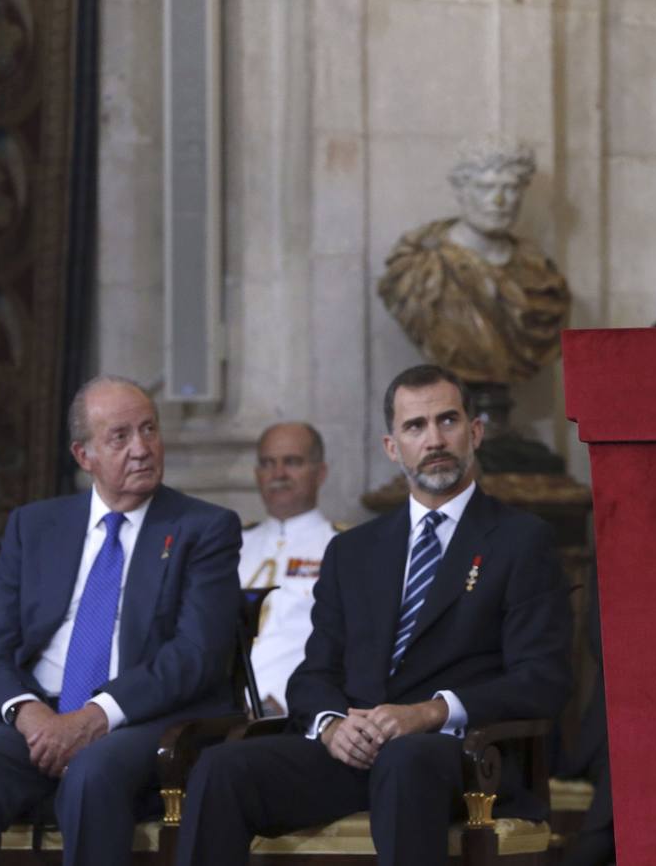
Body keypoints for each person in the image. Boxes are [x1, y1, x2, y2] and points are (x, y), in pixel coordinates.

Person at [174, 364, 572, 866]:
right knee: (222, 767)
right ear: (392, 447)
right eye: (415, 427)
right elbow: (315, 673)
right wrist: (332, 726)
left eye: (447, 421)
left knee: (406, 760)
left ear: (475, 433)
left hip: (461, 756)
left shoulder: (520, 540)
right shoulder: (354, 550)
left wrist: (430, 712)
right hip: (355, 752)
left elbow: (543, 680)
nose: (434, 439)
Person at [0, 375, 243, 866]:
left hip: (144, 719)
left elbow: (196, 656)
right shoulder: (33, 527)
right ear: (84, 455)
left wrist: (95, 716)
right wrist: (34, 720)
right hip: (43, 717)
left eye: (149, 430)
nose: (141, 448)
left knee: (91, 772)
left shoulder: (203, 527)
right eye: (120, 437)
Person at [378, 136, 571, 385]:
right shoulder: (418, 269)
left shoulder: (544, 277)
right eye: (485, 188)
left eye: (510, 188)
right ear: (460, 191)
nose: (499, 201)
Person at [239, 421, 338, 714]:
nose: (278, 474)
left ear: (320, 473)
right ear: (257, 475)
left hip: (294, 712)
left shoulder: (342, 546)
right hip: (221, 709)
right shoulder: (232, 544)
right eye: (268, 464)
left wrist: (284, 699)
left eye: (292, 462)